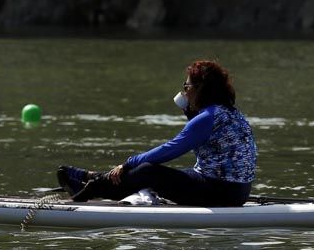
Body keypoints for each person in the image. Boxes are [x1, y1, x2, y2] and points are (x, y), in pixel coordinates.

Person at [57, 60, 257, 206]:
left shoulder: (207, 118)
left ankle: (92, 188)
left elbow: (169, 150)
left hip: (222, 193)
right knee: (156, 174)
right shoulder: (232, 113)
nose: (184, 92)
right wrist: (191, 115)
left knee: (148, 171)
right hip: (238, 191)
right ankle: (95, 179)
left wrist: (128, 163)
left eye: (186, 86)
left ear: (200, 89)